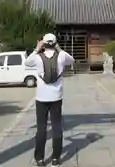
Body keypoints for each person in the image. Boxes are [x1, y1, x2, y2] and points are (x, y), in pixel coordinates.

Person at [24, 33, 75, 167]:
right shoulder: (62, 56)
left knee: (41, 128)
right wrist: (59, 48)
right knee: (57, 127)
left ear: (44, 43)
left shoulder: (36, 58)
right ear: (55, 43)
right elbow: (72, 60)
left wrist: (36, 48)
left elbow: (26, 62)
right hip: (56, 97)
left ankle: (39, 159)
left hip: (41, 98)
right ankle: (56, 158)